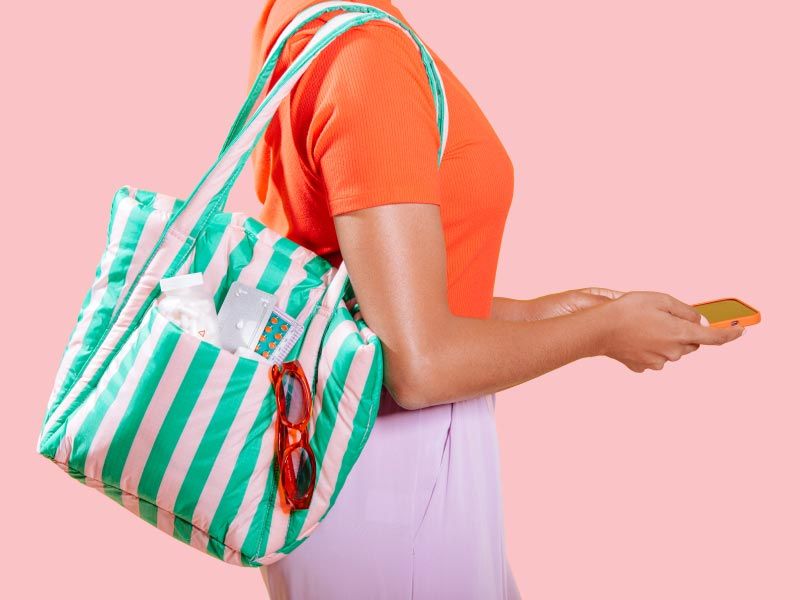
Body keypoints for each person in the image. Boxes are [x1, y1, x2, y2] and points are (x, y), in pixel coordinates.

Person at [247, 1, 745, 597]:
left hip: (349, 463)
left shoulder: (313, 18)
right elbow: (419, 367)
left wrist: (557, 313)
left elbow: (364, 303)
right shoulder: (365, 56)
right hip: (388, 472)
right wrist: (601, 334)